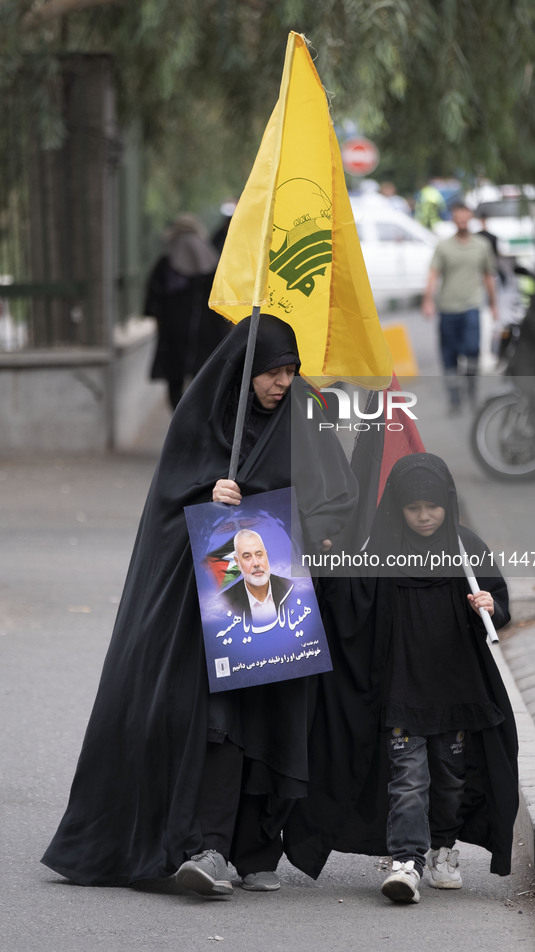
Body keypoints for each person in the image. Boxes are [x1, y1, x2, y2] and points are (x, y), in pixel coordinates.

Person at [41, 314, 358, 897]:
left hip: (283, 593)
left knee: (275, 712)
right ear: (243, 371)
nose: (282, 383)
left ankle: (256, 850)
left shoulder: (304, 419)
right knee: (218, 722)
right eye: (270, 372)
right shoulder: (205, 416)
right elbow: (169, 499)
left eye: (290, 371)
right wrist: (210, 492)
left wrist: (321, 530)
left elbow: (338, 496)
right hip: (206, 602)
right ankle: (205, 845)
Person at [283, 453, 518, 906]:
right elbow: (350, 609)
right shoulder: (377, 552)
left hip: (456, 693)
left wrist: (490, 607)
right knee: (408, 779)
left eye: (433, 506)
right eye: (414, 507)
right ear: (397, 507)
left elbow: (497, 606)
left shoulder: (465, 549)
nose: (425, 516)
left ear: (448, 503)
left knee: (449, 779)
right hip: (400, 691)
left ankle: (442, 848)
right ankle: (405, 861)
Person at [144, 213, 229, 410]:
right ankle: (199, 425)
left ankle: (179, 423)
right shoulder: (214, 264)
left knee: (175, 381)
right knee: (206, 381)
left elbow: (153, 302)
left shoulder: (165, 264)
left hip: (174, 335)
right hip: (209, 334)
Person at [422, 202, 498, 413]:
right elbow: (433, 274)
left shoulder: (482, 245)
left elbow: (488, 276)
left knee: (473, 350)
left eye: (465, 217)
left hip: (471, 306)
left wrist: (494, 304)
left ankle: (472, 389)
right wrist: (427, 300)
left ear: (470, 218)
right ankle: (454, 399)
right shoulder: (444, 246)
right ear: (453, 219)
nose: (462, 221)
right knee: (449, 356)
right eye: (458, 218)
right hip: (447, 308)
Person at [221, 529, 293, 628]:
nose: (256, 563)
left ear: (266, 556)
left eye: (259, 555)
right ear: (237, 562)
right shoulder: (224, 602)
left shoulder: (292, 589)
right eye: (247, 556)